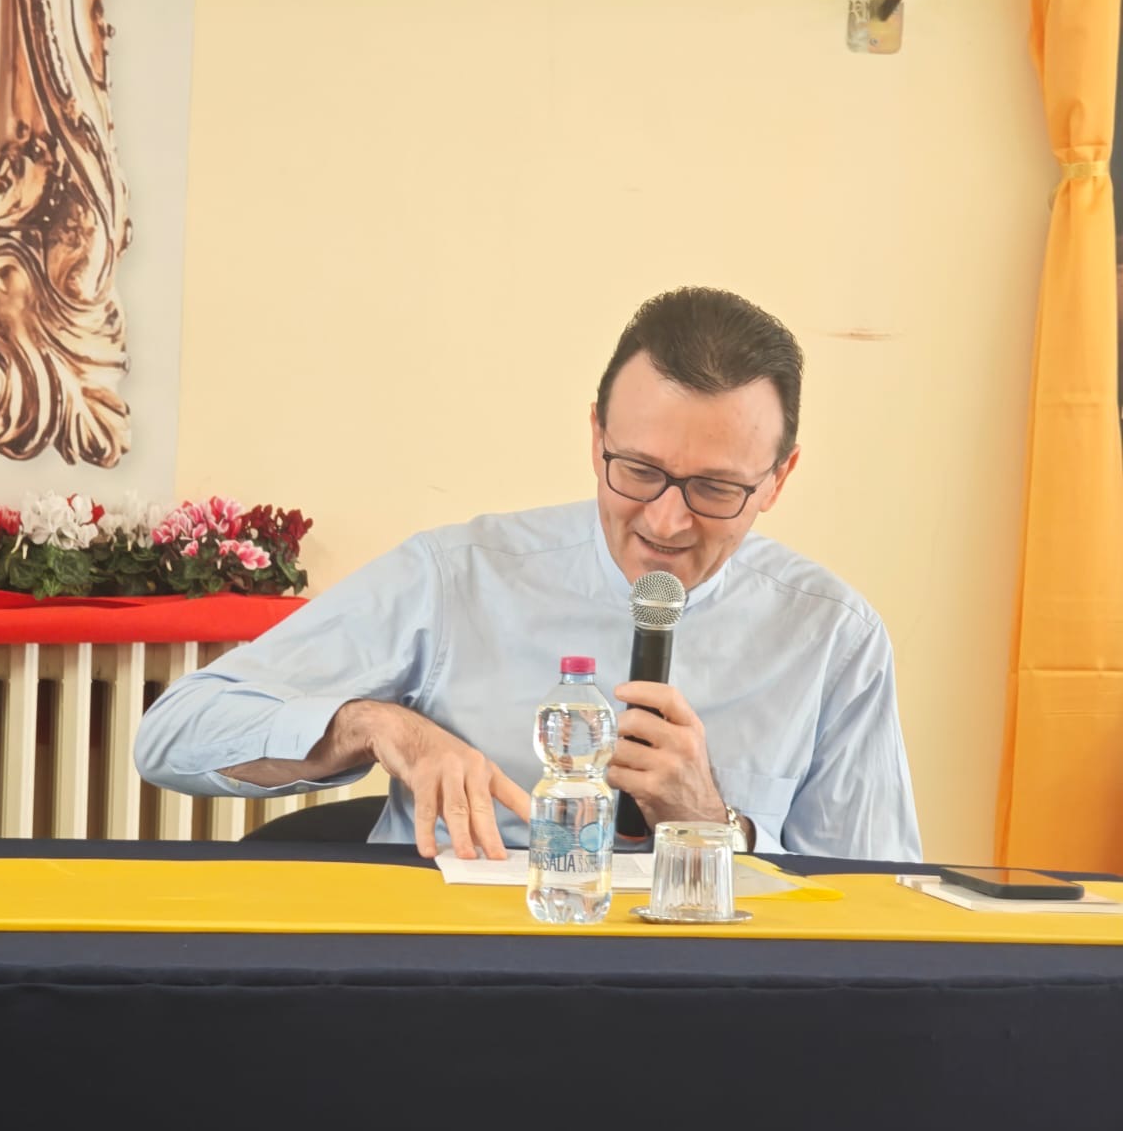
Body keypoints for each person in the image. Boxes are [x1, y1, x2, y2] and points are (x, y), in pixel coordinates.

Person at [135, 287, 921, 862]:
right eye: (638, 470)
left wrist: (713, 825)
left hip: (709, 1001)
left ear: (779, 479)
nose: (665, 522)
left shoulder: (832, 636)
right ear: (596, 436)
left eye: (715, 489)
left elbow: (880, 900)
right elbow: (173, 734)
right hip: (460, 983)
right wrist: (371, 725)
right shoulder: (458, 577)